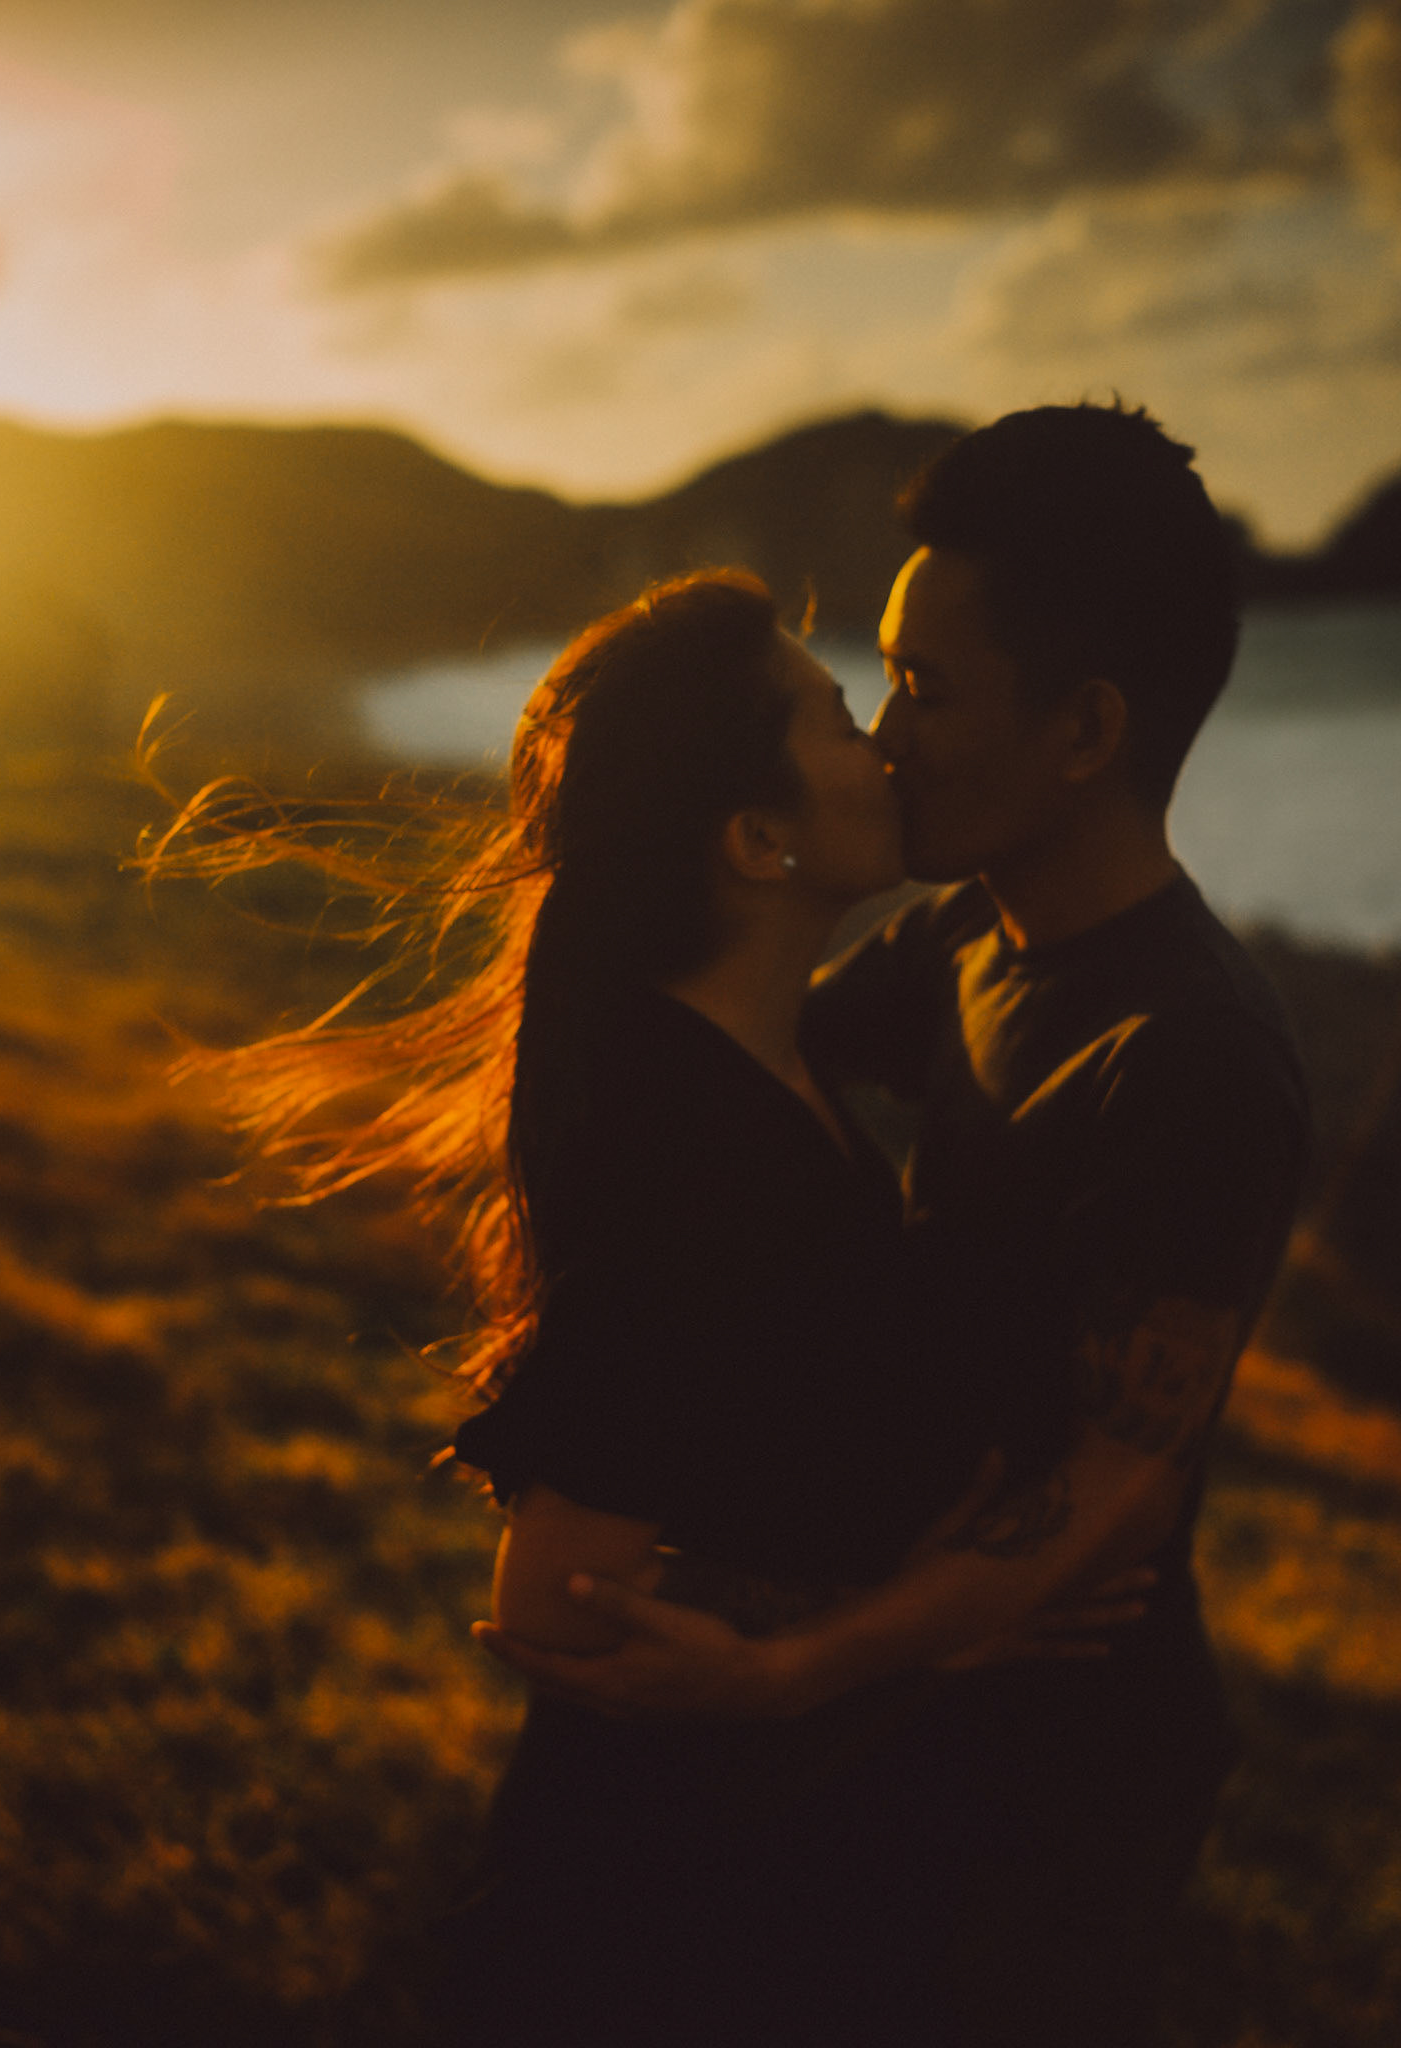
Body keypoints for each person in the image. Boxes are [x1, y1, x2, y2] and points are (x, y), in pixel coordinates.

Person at [477, 401, 1313, 2047]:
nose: (885, 732)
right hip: (898, 1729)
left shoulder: (1194, 1060)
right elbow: (715, 1085)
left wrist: (790, 1665)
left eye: (923, 688)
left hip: (1065, 1770)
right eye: (872, 681)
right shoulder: (958, 942)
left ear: (1084, 730)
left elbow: (1115, 1484)